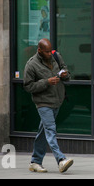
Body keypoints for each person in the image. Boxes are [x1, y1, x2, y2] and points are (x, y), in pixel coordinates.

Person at [23, 38, 74, 173]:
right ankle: (61, 160)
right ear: (39, 50)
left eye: (50, 51)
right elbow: (28, 86)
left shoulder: (56, 56)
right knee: (50, 130)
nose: (49, 54)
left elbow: (67, 75)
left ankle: (35, 161)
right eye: (46, 52)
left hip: (57, 100)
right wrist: (46, 82)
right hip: (43, 103)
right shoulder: (31, 65)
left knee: (43, 131)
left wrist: (64, 74)